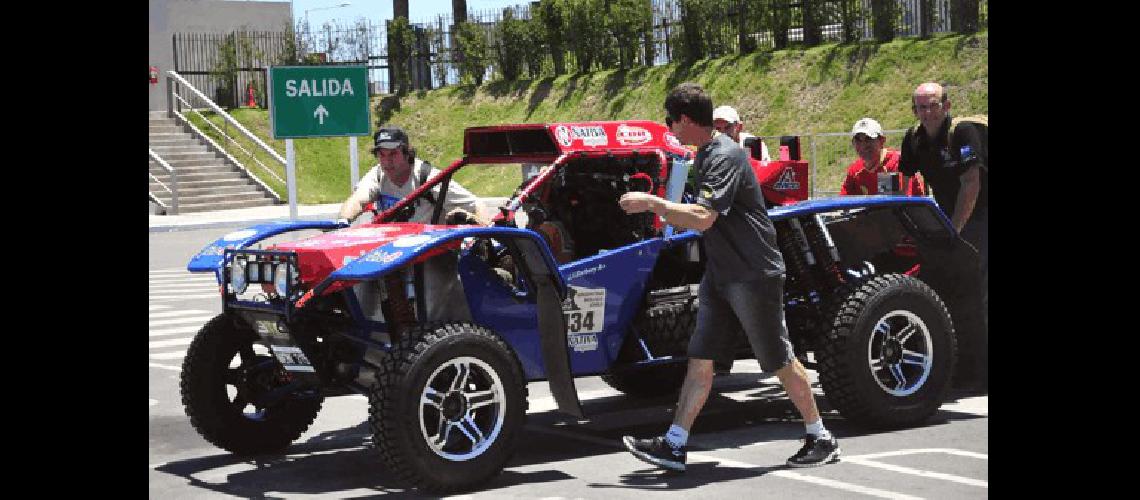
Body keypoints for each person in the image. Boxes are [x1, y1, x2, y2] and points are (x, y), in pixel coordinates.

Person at [618, 83, 840, 472]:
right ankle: (673, 445)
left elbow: (704, 218)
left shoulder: (725, 155)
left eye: (672, 121)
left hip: (752, 274)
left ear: (686, 120)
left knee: (779, 360)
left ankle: (820, 436)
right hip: (722, 274)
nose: (670, 129)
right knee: (700, 361)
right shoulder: (706, 154)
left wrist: (654, 205)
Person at [336, 126, 483, 324]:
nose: (387, 161)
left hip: (430, 255)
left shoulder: (428, 178)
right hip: (389, 254)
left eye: (393, 154)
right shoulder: (378, 175)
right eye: (382, 154)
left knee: (433, 301)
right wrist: (342, 223)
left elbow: (475, 204)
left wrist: (484, 234)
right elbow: (358, 199)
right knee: (358, 279)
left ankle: (442, 336)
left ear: (407, 153)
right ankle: (365, 332)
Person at [898, 82, 988, 388]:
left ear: (946, 106)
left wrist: (955, 230)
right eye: (920, 107)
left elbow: (971, 183)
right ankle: (958, 366)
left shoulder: (962, 133)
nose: (927, 113)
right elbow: (903, 181)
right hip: (948, 219)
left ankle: (981, 373)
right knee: (946, 290)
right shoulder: (913, 139)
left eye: (932, 105)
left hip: (978, 216)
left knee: (977, 293)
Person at [839, 117, 925, 196]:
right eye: (858, 140)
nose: (863, 145)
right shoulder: (855, 170)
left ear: (882, 141)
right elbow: (842, 201)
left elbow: (889, 206)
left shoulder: (893, 164)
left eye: (868, 139)